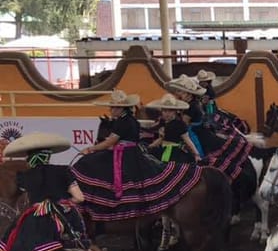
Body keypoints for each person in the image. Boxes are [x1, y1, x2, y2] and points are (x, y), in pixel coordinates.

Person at [72, 89, 201, 221]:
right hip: (138, 151)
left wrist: (90, 149)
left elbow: (110, 142)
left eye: (114, 107)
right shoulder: (130, 120)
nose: (111, 110)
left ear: (122, 109)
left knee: (88, 164)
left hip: (127, 155)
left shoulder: (123, 122)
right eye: (111, 107)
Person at [0, 133, 87, 251]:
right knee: (81, 237)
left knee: (11, 244)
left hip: (34, 219)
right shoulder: (63, 170)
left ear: (30, 157)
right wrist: (65, 202)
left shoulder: (24, 177)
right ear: (49, 155)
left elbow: (20, 197)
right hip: (60, 217)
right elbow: (80, 198)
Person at [166, 75, 251, 182]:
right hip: (199, 129)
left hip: (195, 133)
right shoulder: (190, 104)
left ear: (188, 93)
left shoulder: (191, 107)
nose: (177, 94)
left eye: (180, 92)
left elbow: (184, 125)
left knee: (196, 153)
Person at [146, 93, 202, 163]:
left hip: (175, 154)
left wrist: (196, 154)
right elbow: (162, 139)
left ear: (175, 111)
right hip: (163, 150)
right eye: (165, 111)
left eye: (170, 111)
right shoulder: (163, 122)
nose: (167, 113)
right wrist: (150, 146)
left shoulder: (180, 124)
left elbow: (187, 140)